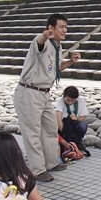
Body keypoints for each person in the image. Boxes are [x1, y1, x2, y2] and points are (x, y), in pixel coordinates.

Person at [13, 14, 81, 182]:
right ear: (51, 28)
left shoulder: (58, 46)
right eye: (61, 27)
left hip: (44, 93)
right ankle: (37, 170)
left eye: (66, 26)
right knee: (32, 133)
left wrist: (71, 61)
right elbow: (38, 43)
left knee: (51, 129)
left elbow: (56, 68)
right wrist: (44, 35)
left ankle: (51, 162)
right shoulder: (44, 42)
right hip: (29, 92)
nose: (65, 30)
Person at [55, 85, 91, 156]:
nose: (70, 102)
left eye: (73, 100)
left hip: (75, 123)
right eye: (68, 100)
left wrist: (76, 118)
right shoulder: (60, 101)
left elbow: (83, 117)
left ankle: (78, 140)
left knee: (82, 125)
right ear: (64, 96)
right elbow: (58, 118)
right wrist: (63, 135)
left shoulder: (80, 100)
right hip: (64, 124)